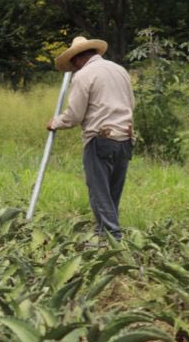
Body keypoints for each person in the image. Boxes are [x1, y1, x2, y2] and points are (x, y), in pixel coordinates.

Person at [46, 35, 134, 242]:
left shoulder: (84, 74)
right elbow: (131, 103)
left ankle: (112, 239)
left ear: (77, 58)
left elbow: (74, 115)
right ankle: (104, 234)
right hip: (126, 138)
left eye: (73, 64)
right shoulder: (119, 70)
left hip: (100, 138)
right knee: (112, 194)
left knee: (99, 192)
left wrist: (55, 122)